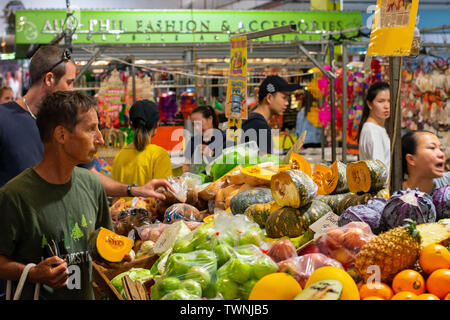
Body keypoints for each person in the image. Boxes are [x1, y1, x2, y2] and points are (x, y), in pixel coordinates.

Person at [0, 45, 172, 198]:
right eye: (69, 82)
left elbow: (91, 174)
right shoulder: (4, 120)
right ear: (49, 79)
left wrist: (133, 190)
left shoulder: (68, 123)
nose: (72, 89)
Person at [0, 91, 112, 300]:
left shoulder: (92, 185)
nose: (100, 139)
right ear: (61, 135)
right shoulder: (14, 196)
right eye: (91, 129)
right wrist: (33, 273)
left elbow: (102, 243)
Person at [111, 100, 172, 197]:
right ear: (157, 124)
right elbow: (164, 195)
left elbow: (114, 193)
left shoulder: (120, 155)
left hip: (123, 211)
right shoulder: (160, 155)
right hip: (150, 211)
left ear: (130, 125)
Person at [242, 75, 300, 155]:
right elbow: (266, 165)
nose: (287, 103)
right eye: (284, 98)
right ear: (269, 98)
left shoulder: (252, 119)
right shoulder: (260, 125)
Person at [357, 82, 391, 174]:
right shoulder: (372, 131)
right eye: (381, 101)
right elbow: (380, 171)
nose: (386, 106)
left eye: (389, 101)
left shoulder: (377, 128)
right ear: (369, 104)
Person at [182, 105, 228, 173]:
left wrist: (211, 153)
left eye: (199, 123)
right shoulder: (193, 141)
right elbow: (186, 165)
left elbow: (227, 166)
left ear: (210, 119)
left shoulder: (224, 139)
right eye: (194, 124)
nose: (197, 128)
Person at [401, 130, 449, 194]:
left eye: (441, 149)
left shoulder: (446, 182)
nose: (441, 154)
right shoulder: (396, 197)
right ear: (411, 159)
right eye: (432, 148)